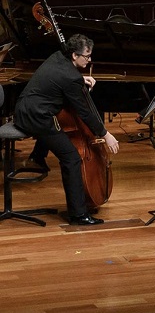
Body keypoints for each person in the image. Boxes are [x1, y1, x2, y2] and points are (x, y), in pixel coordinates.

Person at [13, 34, 120, 225]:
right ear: (74, 55)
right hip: (36, 117)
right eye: (86, 56)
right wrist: (106, 134)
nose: (89, 60)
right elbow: (85, 112)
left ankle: (39, 157)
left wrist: (80, 79)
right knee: (71, 157)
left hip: (25, 110)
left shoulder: (57, 57)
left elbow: (61, 78)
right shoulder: (70, 77)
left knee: (68, 152)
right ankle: (78, 215)